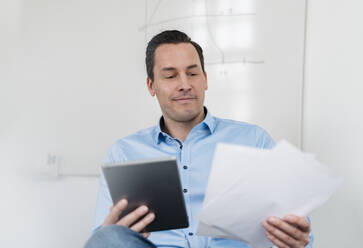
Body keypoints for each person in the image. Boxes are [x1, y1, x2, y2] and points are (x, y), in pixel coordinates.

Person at [85, 30, 314, 248]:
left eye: (193, 74)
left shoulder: (253, 140)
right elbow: (103, 238)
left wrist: (296, 238)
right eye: (171, 75)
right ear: (151, 85)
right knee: (107, 238)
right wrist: (115, 233)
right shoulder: (124, 153)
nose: (185, 85)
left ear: (205, 80)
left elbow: (297, 230)